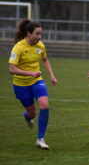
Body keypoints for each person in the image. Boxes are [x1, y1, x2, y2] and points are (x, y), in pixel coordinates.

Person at [8, 19, 58, 149]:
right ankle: (27, 116)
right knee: (32, 114)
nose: (39, 37)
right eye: (37, 34)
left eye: (40, 33)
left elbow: (45, 60)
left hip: (37, 81)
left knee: (45, 105)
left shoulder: (40, 46)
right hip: (20, 85)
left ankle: (40, 139)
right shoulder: (18, 47)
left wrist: (52, 75)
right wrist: (30, 73)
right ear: (28, 34)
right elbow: (11, 69)